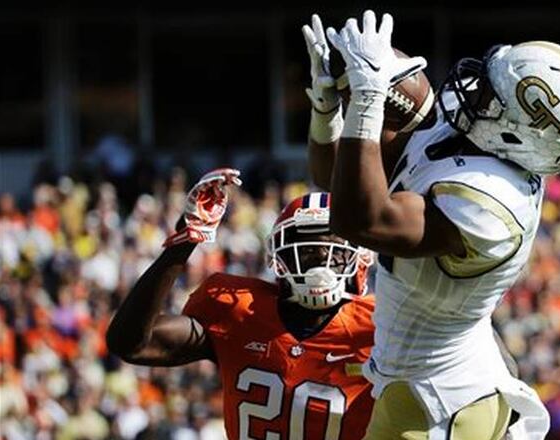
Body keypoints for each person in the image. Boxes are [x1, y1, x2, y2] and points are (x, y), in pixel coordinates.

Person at [304, 10, 560, 439]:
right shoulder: (476, 135)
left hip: (442, 400)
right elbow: (336, 179)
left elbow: (359, 219)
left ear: (516, 134)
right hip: (423, 377)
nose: (473, 87)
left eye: (490, 92)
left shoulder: (492, 202)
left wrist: (369, 98)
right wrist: (328, 108)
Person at [106, 169, 376, 440]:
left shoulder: (378, 326)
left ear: (359, 256)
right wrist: (184, 243)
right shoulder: (242, 311)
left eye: (333, 250)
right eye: (306, 250)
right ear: (279, 257)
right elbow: (129, 344)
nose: (320, 258)